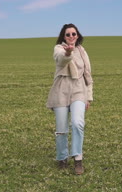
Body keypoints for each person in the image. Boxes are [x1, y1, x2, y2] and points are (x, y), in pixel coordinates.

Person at [47, 23, 93, 175]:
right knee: (61, 129)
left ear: (77, 35)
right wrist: (68, 53)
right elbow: (61, 60)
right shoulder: (59, 49)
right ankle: (62, 158)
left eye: (74, 34)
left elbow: (88, 75)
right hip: (61, 89)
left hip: (79, 89)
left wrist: (89, 97)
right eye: (68, 34)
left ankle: (78, 159)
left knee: (77, 123)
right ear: (63, 37)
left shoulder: (82, 51)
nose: (71, 37)